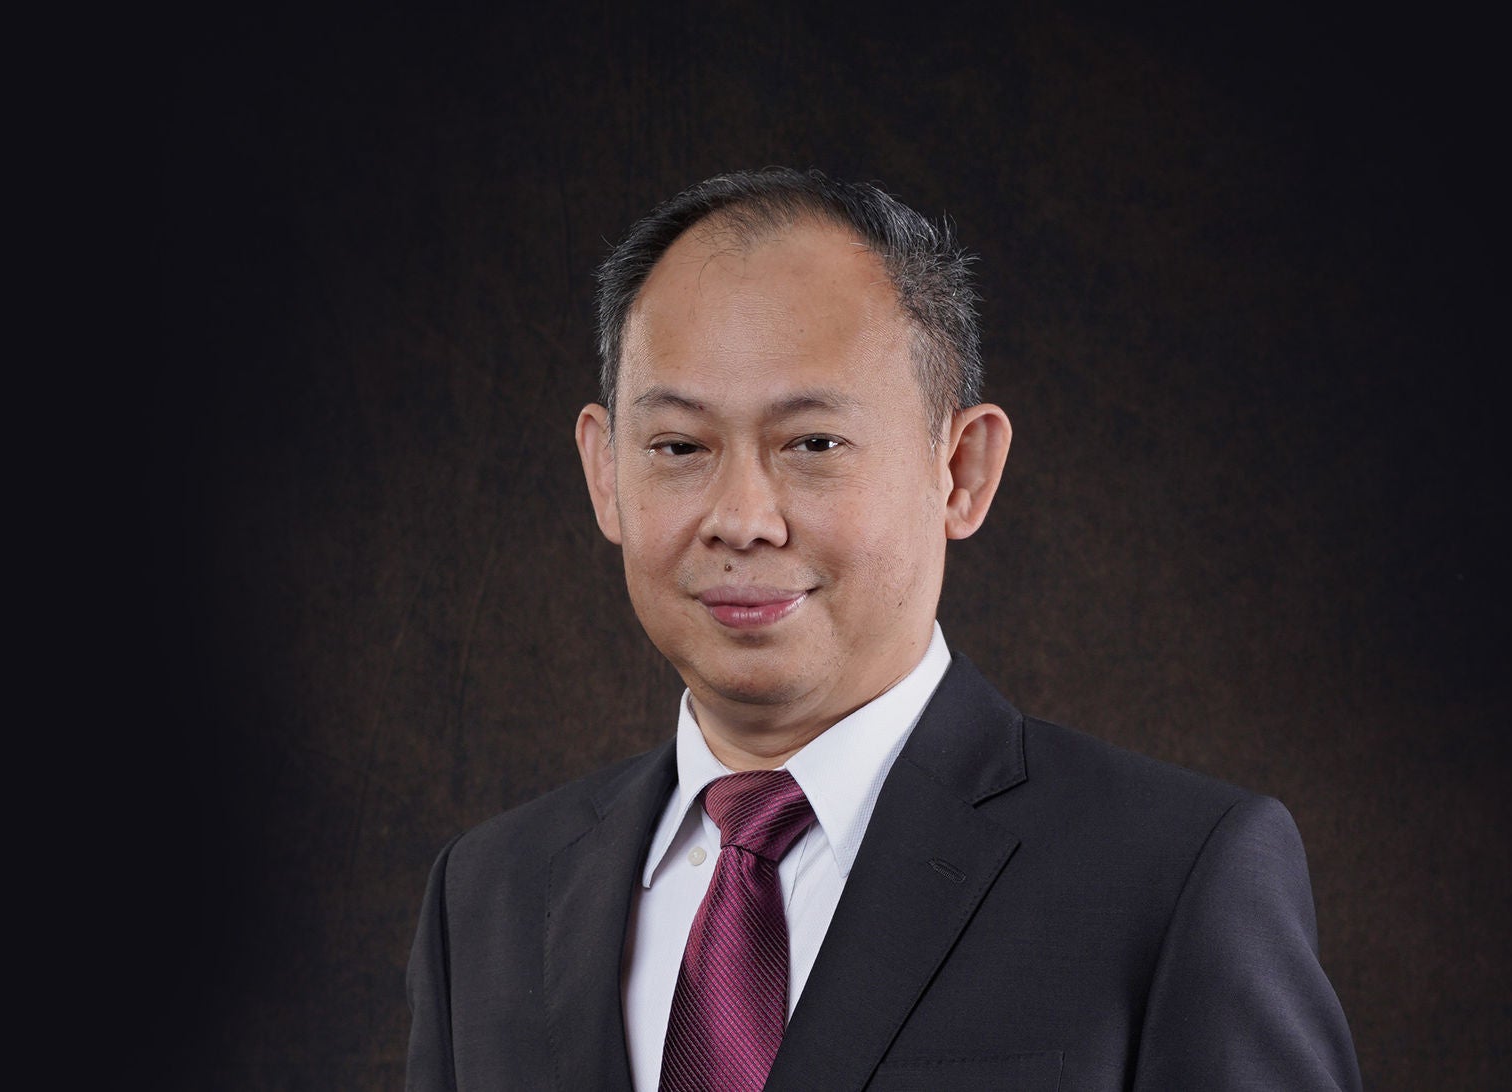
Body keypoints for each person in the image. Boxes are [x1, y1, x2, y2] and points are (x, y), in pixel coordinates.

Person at [405, 168, 1361, 1091]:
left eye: (814, 443)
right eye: (680, 446)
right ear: (605, 472)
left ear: (963, 470)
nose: (742, 518)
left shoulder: (1174, 875)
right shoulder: (486, 897)